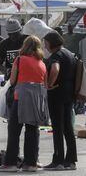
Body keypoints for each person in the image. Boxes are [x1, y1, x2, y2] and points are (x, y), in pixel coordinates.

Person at [0, 36, 48, 173]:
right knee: (32, 131)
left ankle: (11, 163)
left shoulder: (20, 60)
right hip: (37, 100)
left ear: (24, 46)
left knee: (14, 130)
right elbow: (46, 83)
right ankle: (31, 163)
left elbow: (13, 80)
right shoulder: (42, 63)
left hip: (20, 98)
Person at [43, 31, 77, 170]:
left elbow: (55, 69)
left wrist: (49, 84)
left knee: (57, 128)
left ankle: (58, 161)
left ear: (51, 43)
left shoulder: (56, 56)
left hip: (57, 94)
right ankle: (71, 161)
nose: (45, 46)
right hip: (69, 93)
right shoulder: (69, 54)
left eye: (46, 43)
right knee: (68, 127)